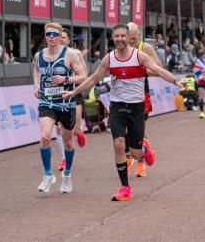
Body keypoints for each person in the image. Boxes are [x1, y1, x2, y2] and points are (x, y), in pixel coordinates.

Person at [62, 23, 178, 201]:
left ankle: (145, 149)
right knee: (118, 144)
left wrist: (176, 81)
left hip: (136, 107)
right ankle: (125, 187)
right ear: (112, 38)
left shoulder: (139, 55)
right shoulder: (109, 59)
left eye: (123, 36)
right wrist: (73, 92)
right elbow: (93, 79)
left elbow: (159, 70)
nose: (120, 39)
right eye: (117, 36)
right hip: (117, 107)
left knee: (136, 153)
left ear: (128, 37)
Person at [33, 23, 88, 194]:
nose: (51, 37)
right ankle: (48, 175)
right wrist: (36, 86)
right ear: (45, 36)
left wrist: (65, 79)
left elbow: (83, 76)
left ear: (60, 36)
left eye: (55, 34)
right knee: (44, 136)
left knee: (68, 142)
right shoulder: (38, 55)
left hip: (66, 102)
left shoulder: (70, 54)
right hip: (46, 101)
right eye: (48, 34)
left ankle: (67, 174)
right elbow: (36, 70)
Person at [127, 23, 162, 177]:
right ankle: (128, 158)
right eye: (129, 38)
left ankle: (141, 162)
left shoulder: (145, 48)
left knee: (139, 129)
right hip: (122, 94)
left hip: (141, 94)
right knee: (125, 129)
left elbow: (158, 68)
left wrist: (138, 69)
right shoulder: (119, 47)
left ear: (139, 35)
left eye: (134, 39)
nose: (131, 42)